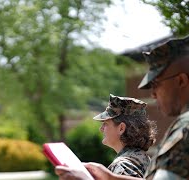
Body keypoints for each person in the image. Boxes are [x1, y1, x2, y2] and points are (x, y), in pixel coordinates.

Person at [55, 35, 189, 180]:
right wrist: (109, 178)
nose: (153, 94)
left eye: (156, 84)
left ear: (181, 80)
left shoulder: (185, 125)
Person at [92, 94, 156, 178]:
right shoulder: (146, 160)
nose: (101, 128)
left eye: (105, 123)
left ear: (121, 128)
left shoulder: (123, 166)